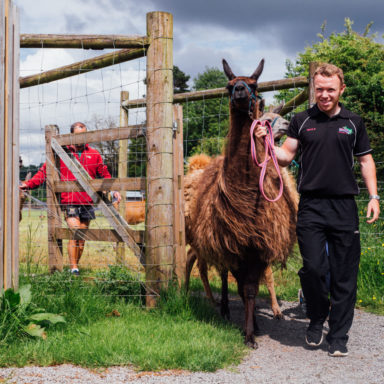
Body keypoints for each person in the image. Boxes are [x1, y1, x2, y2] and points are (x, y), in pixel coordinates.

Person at [255, 63, 380, 357]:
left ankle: (338, 336)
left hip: (344, 207)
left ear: (341, 90)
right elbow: (286, 155)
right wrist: (268, 142)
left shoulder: (354, 122)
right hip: (310, 205)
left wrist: (374, 197)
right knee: (312, 268)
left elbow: (365, 162)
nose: (324, 95)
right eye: (320, 89)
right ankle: (316, 317)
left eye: (330, 90)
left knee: (344, 274)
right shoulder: (302, 120)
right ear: (315, 89)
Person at [20, 122, 121, 275]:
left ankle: (75, 266)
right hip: (69, 201)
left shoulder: (94, 154)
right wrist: (28, 184)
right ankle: (73, 268)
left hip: (88, 202)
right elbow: (43, 173)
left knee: (82, 240)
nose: (81, 138)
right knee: (75, 232)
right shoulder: (61, 153)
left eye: (84, 134)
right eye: (77, 135)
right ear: (71, 135)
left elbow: (103, 174)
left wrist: (113, 190)